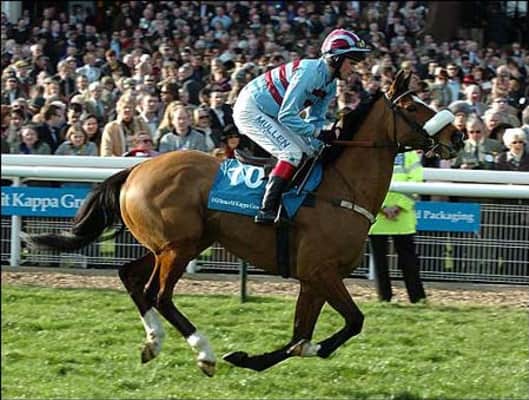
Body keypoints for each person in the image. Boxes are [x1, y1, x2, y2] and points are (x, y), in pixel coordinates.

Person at [233, 28, 372, 224]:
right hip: (251, 109)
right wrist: (318, 134)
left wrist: (321, 141)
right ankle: (267, 208)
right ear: (336, 59)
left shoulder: (330, 85)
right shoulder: (310, 73)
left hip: (272, 113)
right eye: (351, 62)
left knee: (311, 151)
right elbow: (287, 115)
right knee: (291, 153)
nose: (353, 69)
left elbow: (315, 119)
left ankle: (293, 199)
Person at [368, 150, 426, 303]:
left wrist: (387, 207)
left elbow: (417, 180)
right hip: (392, 215)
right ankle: (390, 298)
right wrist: (396, 207)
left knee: (407, 260)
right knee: (382, 261)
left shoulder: (408, 154)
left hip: (389, 215)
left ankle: (413, 298)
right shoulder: (375, 152)